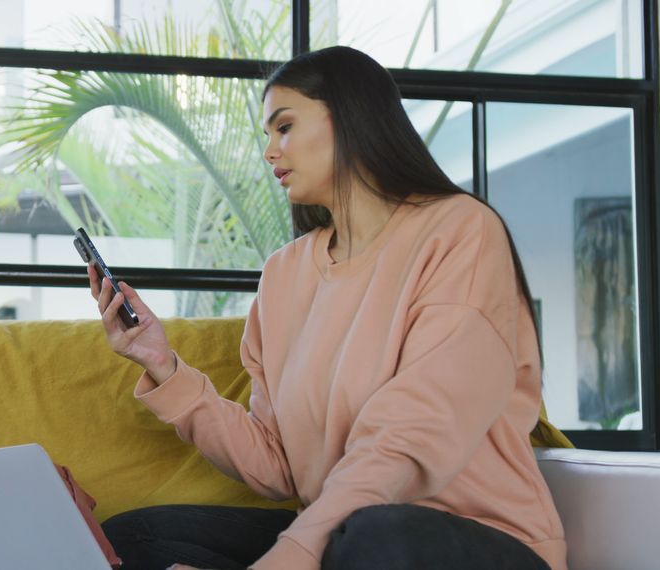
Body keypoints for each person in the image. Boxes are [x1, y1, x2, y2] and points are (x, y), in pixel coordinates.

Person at [90, 46, 566, 570]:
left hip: (468, 539)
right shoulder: (285, 274)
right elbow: (279, 467)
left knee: (372, 536)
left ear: (351, 118)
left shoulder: (461, 231)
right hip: (337, 534)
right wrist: (162, 364)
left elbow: (412, 432)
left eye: (285, 126)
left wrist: (294, 553)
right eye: (266, 135)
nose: (269, 151)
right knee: (136, 537)